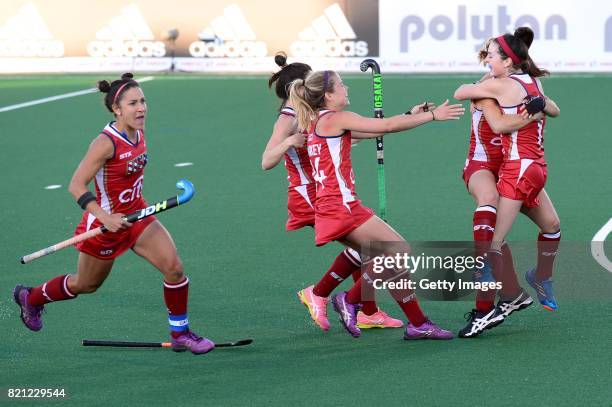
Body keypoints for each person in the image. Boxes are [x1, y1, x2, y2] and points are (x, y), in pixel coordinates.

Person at [13, 73, 214, 354]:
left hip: (137, 217)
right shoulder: (105, 143)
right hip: (104, 227)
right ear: (116, 109)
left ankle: (180, 333)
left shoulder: (138, 132)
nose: (141, 108)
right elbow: (75, 185)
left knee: (174, 268)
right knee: (86, 284)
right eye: (133, 103)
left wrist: (130, 210)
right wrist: (105, 217)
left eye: (143, 101)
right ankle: (31, 297)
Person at [289, 69, 464, 339]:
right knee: (398, 250)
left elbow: (374, 132)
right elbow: (386, 126)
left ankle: (418, 323)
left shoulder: (319, 122)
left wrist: (411, 114)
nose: (346, 88)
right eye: (341, 84)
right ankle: (348, 299)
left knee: (390, 260)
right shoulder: (337, 118)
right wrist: (431, 116)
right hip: (341, 206)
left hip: (332, 206)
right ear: (328, 95)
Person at [262, 53, 402, 331]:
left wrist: (396, 122)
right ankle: (325, 295)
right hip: (310, 197)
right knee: (373, 249)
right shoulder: (288, 118)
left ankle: (365, 309)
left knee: (370, 249)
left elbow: (348, 132)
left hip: (325, 191)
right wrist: (290, 139)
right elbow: (266, 160)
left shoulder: (310, 113)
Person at [454, 27, 561, 335]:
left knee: (532, 230)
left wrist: (538, 107)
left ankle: (521, 284)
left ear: (508, 60)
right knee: (532, 224)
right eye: (486, 52)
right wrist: (535, 112)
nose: (487, 56)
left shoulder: (510, 85)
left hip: (516, 168)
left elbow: (550, 108)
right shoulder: (509, 85)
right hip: (511, 166)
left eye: (491, 53)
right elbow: (545, 112)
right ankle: (508, 292)